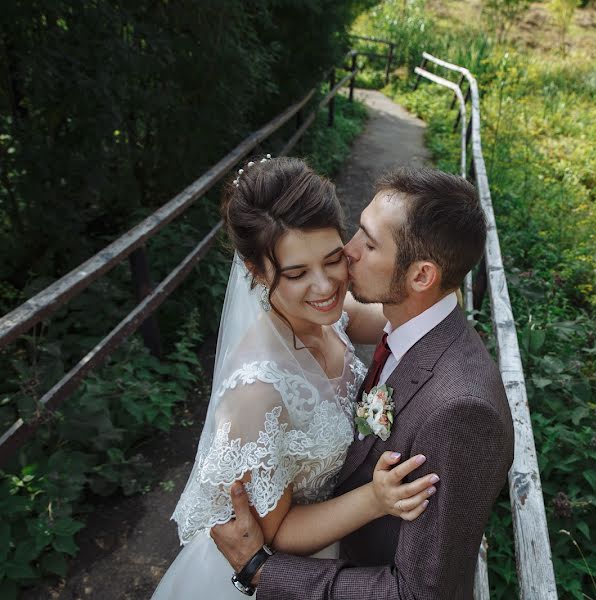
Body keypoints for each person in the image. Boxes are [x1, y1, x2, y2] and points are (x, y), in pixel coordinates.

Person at [211, 167, 515, 599]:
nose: (346, 258)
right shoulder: (383, 325)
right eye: (297, 272)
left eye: (367, 243)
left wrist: (263, 572)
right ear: (257, 272)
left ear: (421, 277)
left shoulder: (460, 410)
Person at [152, 157, 439, 599]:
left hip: (333, 550)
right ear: (257, 272)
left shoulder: (328, 315)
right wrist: (375, 499)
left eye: (332, 260)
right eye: (297, 273)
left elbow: (392, 315)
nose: (325, 287)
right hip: (277, 576)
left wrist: (440, 275)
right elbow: (273, 534)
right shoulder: (258, 391)